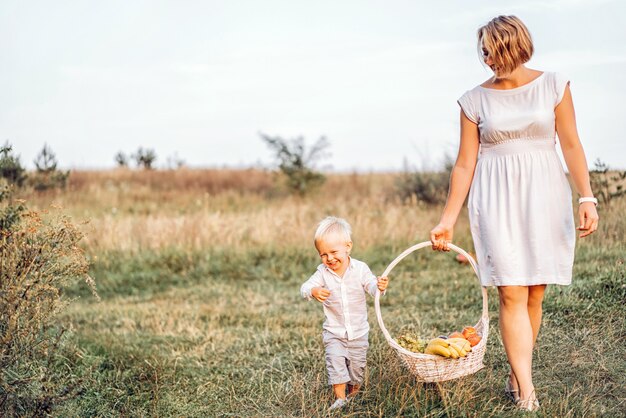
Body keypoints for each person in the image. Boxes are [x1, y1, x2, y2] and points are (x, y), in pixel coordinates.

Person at [429, 15, 599, 412]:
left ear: (516, 46)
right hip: (495, 196)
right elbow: (464, 164)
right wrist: (447, 218)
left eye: (495, 50)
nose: (489, 59)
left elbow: (571, 145)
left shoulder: (554, 85)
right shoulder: (473, 100)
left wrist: (586, 197)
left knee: (535, 291)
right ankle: (526, 390)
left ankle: (515, 372)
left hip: (545, 192)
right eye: (485, 52)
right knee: (510, 291)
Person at [300, 216, 389, 411]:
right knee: (335, 363)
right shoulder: (322, 273)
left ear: (348, 246)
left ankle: (354, 394)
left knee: (357, 368)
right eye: (323, 254)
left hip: (358, 332)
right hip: (334, 332)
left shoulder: (360, 269)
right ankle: (340, 398)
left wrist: (379, 286)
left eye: (333, 252)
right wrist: (313, 291)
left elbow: (372, 287)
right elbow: (305, 287)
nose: (329, 258)